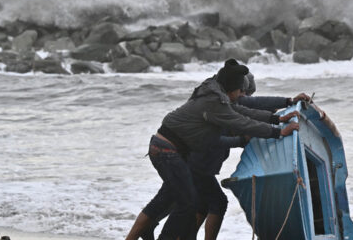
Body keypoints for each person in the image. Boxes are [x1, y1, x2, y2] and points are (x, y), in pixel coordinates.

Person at [125, 59, 299, 240]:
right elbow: (240, 122)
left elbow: (245, 112)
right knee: (188, 203)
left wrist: (277, 118)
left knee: (180, 202)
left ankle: (154, 232)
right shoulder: (214, 102)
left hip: (172, 151)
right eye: (240, 92)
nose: (242, 96)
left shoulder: (217, 95)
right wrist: (277, 132)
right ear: (232, 89)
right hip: (169, 151)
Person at [186, 74, 310, 240]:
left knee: (199, 205)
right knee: (216, 203)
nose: (244, 97)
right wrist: (244, 139)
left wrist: (287, 102)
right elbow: (251, 110)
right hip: (196, 164)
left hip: (195, 163)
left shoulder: (222, 100)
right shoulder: (226, 105)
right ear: (237, 91)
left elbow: (255, 107)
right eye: (243, 93)